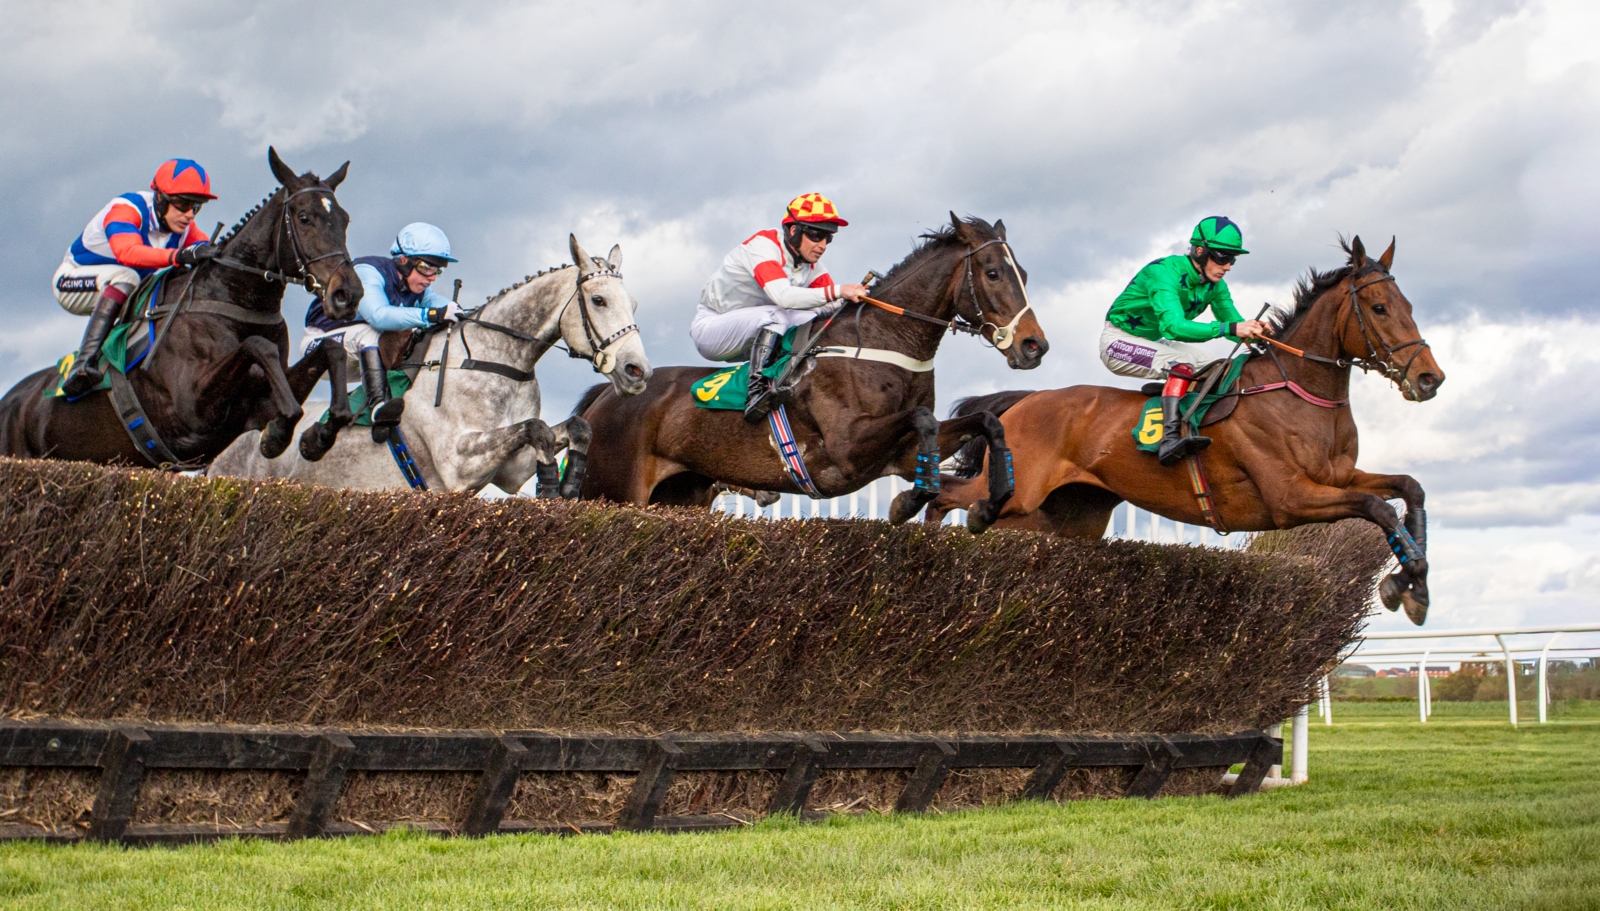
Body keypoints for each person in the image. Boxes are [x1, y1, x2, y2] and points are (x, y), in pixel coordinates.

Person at [1101, 216, 1269, 466]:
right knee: (1182, 364)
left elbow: (1233, 324)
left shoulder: (1216, 286)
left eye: (1232, 259)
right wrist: (1231, 327)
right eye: (1223, 256)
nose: (1228, 266)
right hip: (1118, 342)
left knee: (1220, 368)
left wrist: (1258, 332)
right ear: (1199, 251)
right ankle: (1169, 439)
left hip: (1155, 343)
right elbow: (1173, 327)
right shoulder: (1163, 273)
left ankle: (1189, 412)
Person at [691, 193, 869, 422]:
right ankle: (756, 392)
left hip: (755, 332)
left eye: (828, 237)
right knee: (777, 314)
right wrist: (840, 290)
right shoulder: (763, 247)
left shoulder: (811, 265)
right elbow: (784, 297)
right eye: (816, 235)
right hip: (712, 329)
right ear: (793, 230)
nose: (822, 245)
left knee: (815, 317)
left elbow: (834, 305)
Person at [55, 159, 218, 397]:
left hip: (121, 288)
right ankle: (83, 363)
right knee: (127, 275)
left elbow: (211, 253)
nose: (189, 215)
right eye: (183, 204)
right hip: (72, 282)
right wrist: (180, 255)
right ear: (160, 198)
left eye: (197, 207)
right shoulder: (127, 208)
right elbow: (127, 252)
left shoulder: (183, 228)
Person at [301, 222, 464, 435]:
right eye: (427, 267)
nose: (432, 277)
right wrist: (432, 315)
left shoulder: (417, 289)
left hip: (357, 356)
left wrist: (463, 314)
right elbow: (378, 316)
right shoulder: (368, 272)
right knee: (373, 333)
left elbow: (442, 306)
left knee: (412, 337)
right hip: (320, 348)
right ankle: (378, 407)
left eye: (437, 270)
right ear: (404, 261)